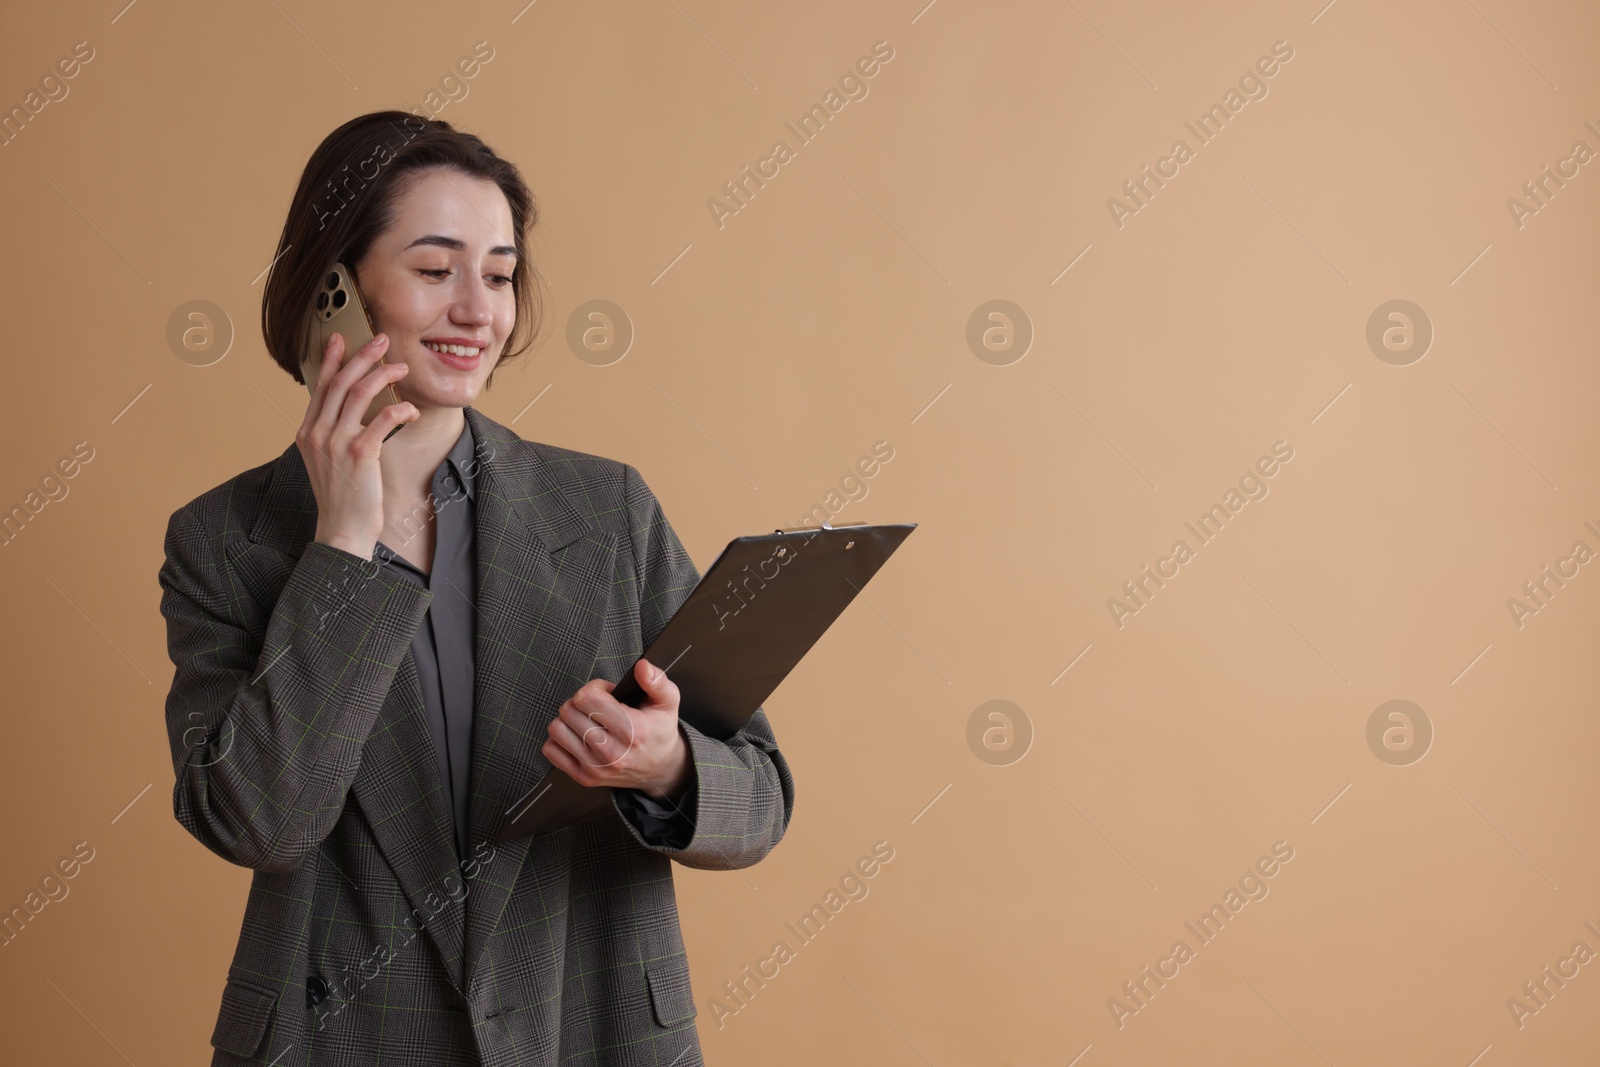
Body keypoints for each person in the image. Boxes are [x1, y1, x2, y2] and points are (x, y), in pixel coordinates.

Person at [157, 111, 794, 1066]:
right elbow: (262, 820)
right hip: (341, 1039)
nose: (478, 310)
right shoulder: (225, 540)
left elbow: (764, 795)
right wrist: (342, 542)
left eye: (497, 274)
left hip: (591, 1027)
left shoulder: (607, 508)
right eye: (433, 268)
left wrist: (664, 765)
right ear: (335, 287)